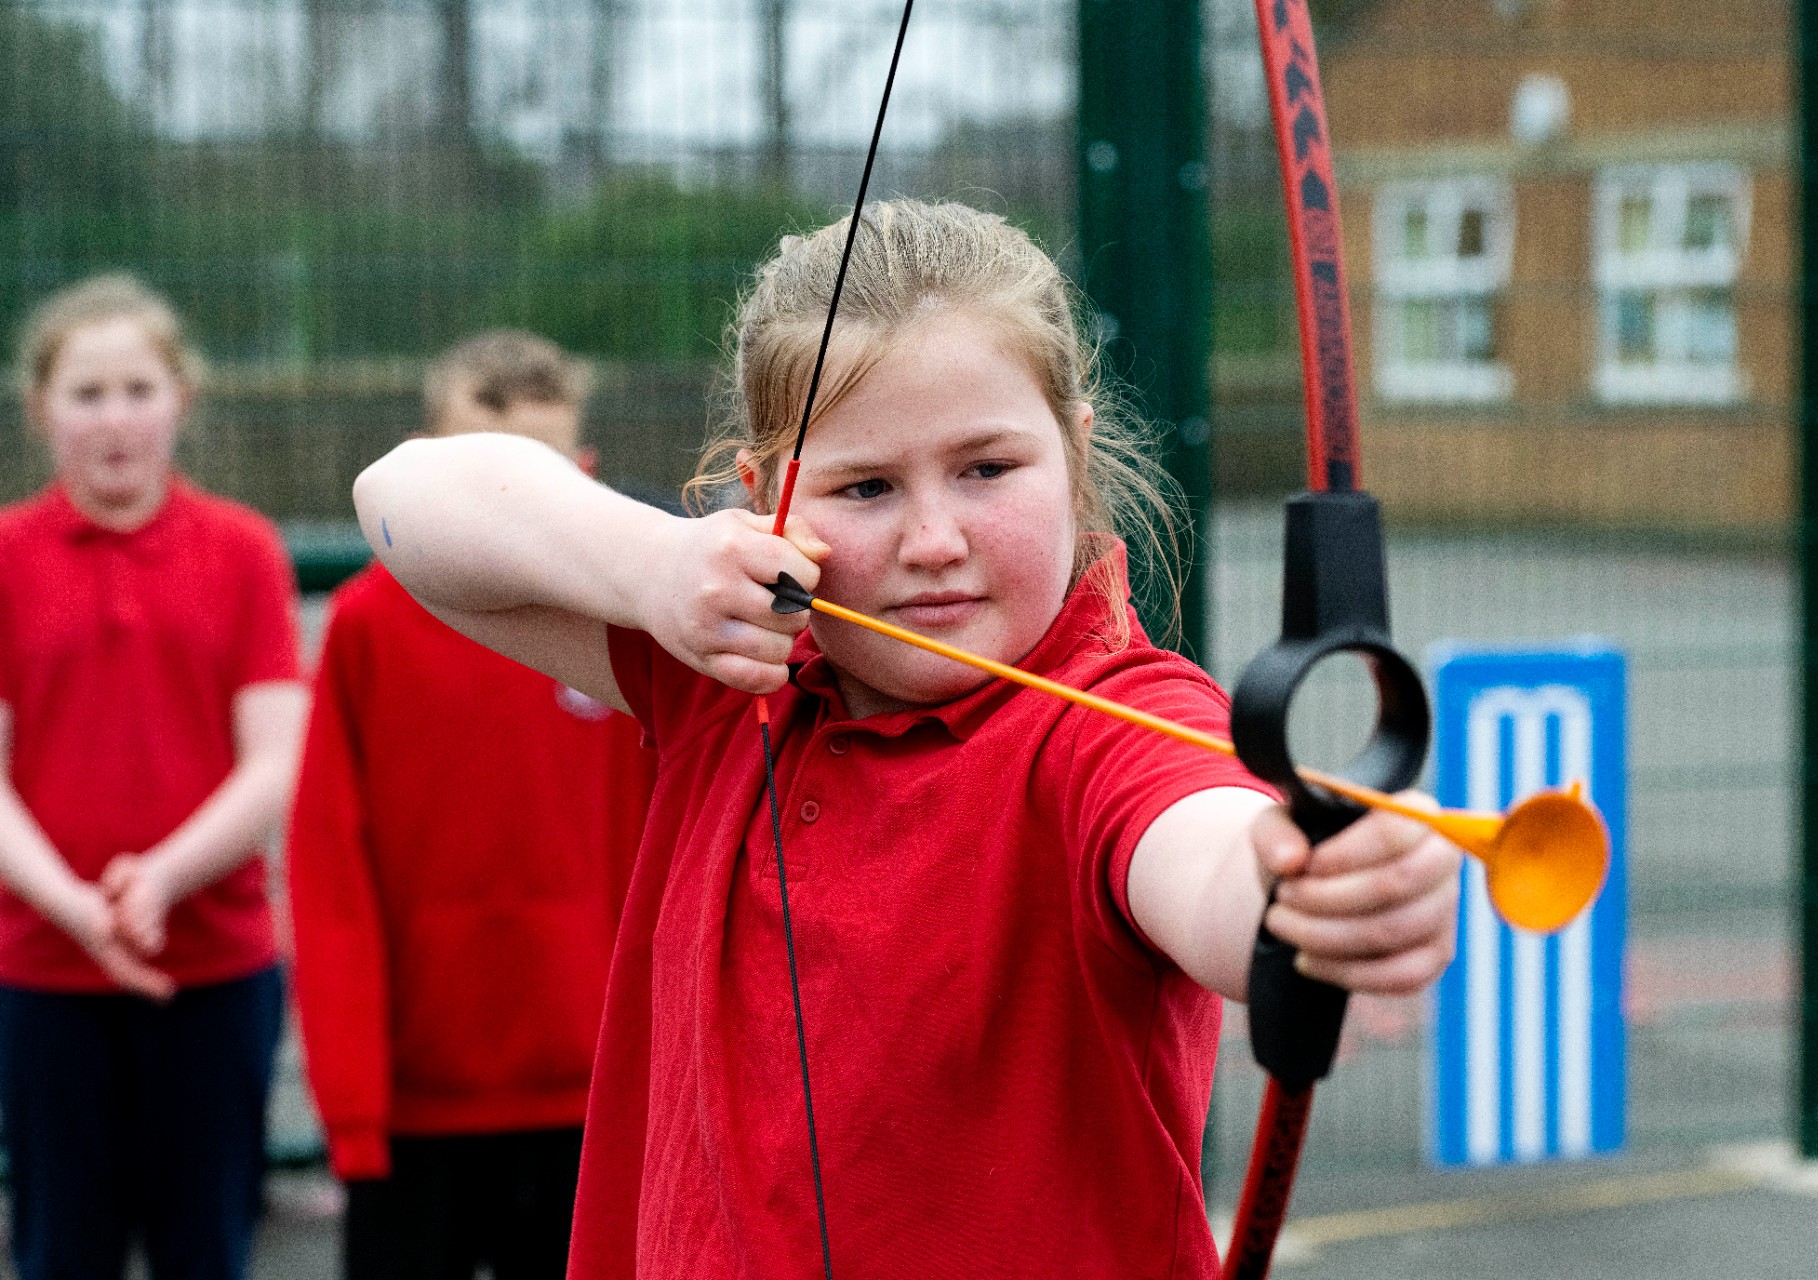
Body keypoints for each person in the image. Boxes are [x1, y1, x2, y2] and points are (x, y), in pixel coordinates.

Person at [351, 201, 1463, 1279]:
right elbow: (401, 496)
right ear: (764, 501)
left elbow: (1207, 850)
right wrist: (653, 566)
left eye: (987, 468)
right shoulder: (729, 672)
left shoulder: (1110, 724)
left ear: (1074, 456)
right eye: (865, 485)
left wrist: (1307, 895)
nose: (934, 540)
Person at [287, 331, 650, 1280]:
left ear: (585, 472)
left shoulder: (630, 632)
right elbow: (329, 874)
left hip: (598, 1100)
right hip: (417, 1111)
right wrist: (355, 1110)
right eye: (483, 476)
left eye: (539, 475)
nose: (510, 508)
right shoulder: (367, 626)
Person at [0, 275, 307, 1280]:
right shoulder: (7, 556)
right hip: (45, 972)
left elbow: (273, 756)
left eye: (139, 387)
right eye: (87, 393)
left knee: (206, 1246)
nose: (115, 417)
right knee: (61, 1247)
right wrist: (77, 905)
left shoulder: (243, 550)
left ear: (181, 396)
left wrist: (163, 877)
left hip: (212, 966)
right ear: (42, 406)